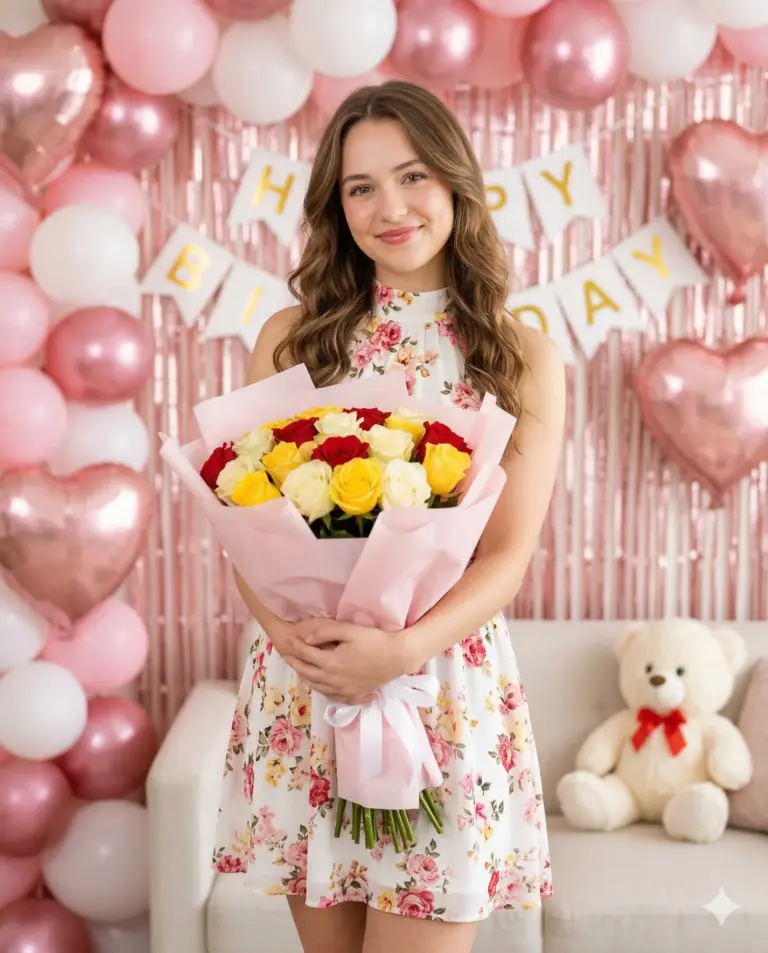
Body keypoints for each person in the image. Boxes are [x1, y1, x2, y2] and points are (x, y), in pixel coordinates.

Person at [212, 80, 566, 953]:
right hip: (309, 689)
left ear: (454, 182)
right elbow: (246, 522)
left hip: (438, 687)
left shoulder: (519, 354)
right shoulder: (291, 339)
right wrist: (291, 640)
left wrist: (401, 650)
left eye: (411, 177)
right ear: (337, 206)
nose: (389, 207)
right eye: (360, 186)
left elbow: (507, 556)